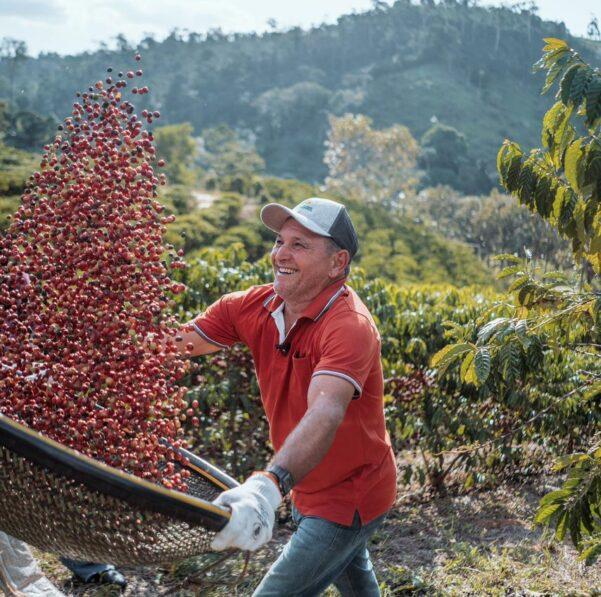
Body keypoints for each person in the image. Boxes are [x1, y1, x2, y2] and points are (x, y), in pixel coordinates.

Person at [175, 197, 397, 596]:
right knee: (352, 571)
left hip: (351, 492)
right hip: (305, 483)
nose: (281, 253)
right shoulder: (252, 307)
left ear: (337, 263)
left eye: (300, 245)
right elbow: (177, 344)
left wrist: (268, 484)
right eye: (280, 241)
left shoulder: (349, 327)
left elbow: (326, 411)